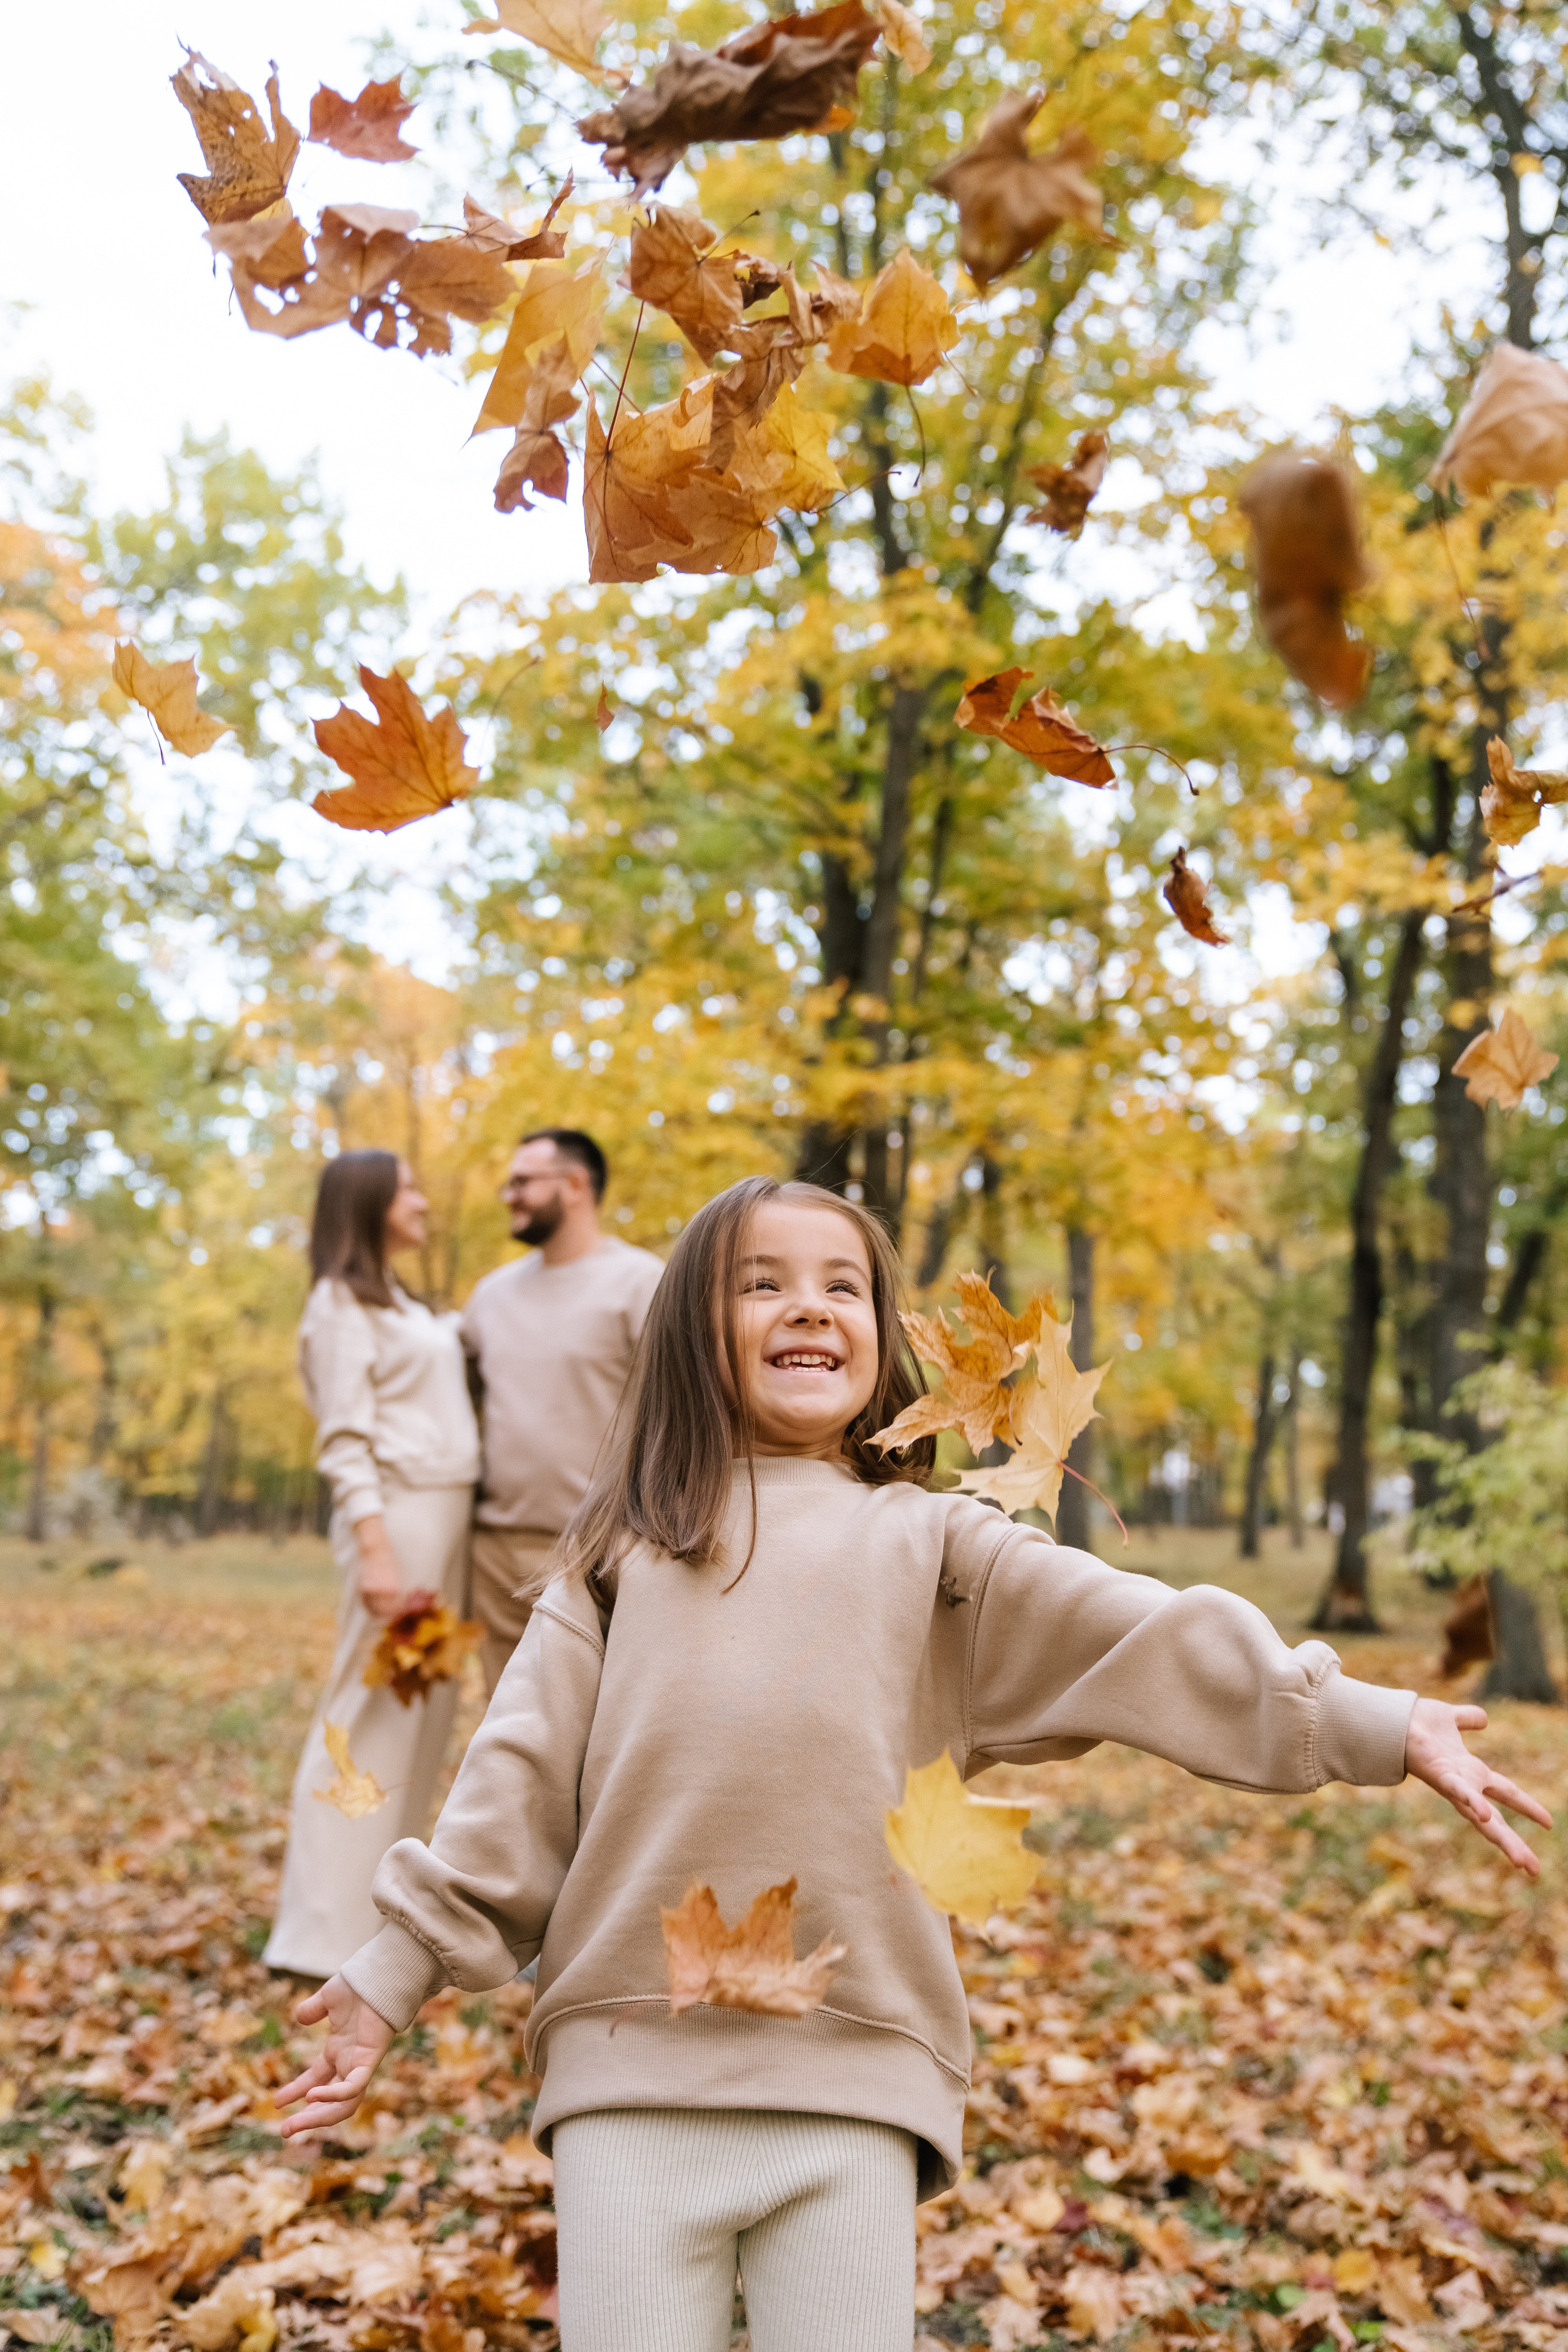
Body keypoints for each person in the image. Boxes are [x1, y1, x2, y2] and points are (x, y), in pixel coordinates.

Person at [274, 1175, 1548, 2352]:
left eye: (842, 1285)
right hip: (630, 2073)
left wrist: (1370, 1722)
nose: (807, 1307)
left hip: (858, 2070)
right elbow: (510, 1793)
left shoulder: (940, 1549)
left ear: (880, 1337)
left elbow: (1144, 1637)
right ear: (685, 1333)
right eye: (759, 1282)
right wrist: (392, 1967)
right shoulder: (619, 1560)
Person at [263, 1150, 480, 1981]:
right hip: (400, 1522)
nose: (424, 1202)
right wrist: (380, 1553)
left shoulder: (401, 1300)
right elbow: (345, 1438)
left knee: (421, 1714)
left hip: (446, 1521)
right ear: (371, 1203)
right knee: (365, 1716)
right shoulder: (337, 1306)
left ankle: (372, 1914)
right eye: (412, 1189)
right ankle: (316, 1934)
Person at [459, 1127, 663, 1695]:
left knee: (603, 1730)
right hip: (499, 1551)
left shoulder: (641, 1282)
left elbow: (685, 1411)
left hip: (604, 1550)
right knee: (510, 1727)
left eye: (523, 1182)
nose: (510, 1195)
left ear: (575, 1185)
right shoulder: (490, 1296)